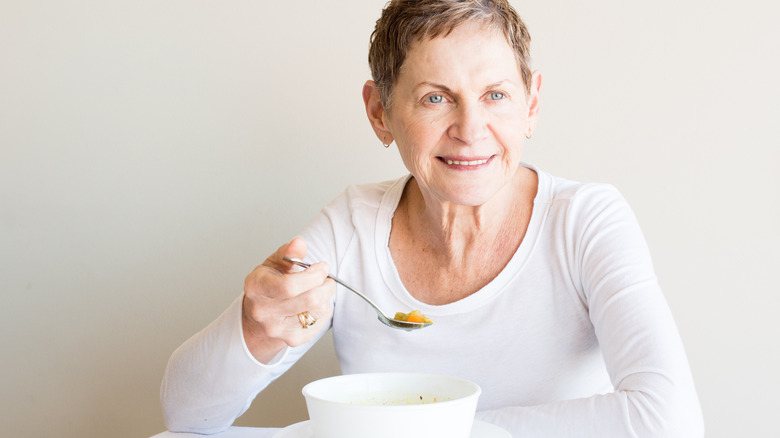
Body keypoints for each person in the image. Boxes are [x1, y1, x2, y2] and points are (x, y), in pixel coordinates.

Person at [161, 0, 704, 436]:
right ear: (381, 113)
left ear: (531, 105)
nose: (471, 128)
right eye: (435, 98)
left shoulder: (584, 220)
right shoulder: (354, 224)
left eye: (495, 94)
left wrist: (423, 430)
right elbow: (186, 420)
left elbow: (670, 420)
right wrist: (256, 331)